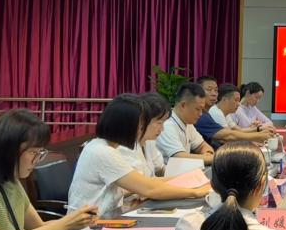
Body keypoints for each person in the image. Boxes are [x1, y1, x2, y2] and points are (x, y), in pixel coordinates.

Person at [68, 94, 212, 216]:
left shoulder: (105, 147)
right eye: (141, 125)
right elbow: (150, 189)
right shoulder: (103, 152)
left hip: (107, 219)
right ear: (125, 125)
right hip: (90, 228)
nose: (142, 129)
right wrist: (196, 192)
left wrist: (190, 181)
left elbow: (148, 183)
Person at [194, 76, 275, 147]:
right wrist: (258, 135)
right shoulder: (206, 115)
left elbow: (235, 132)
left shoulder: (208, 113)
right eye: (209, 89)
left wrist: (258, 130)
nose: (214, 94)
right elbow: (227, 136)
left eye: (216, 90)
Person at [156, 82, 215, 163]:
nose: (201, 114)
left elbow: (202, 145)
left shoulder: (188, 123)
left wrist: (208, 153)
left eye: (202, 110)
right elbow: (180, 157)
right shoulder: (166, 125)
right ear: (183, 105)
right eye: (198, 109)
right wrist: (213, 159)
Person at [134, 92, 171, 176]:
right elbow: (142, 182)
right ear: (143, 120)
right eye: (159, 123)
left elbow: (160, 168)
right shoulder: (126, 147)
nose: (162, 129)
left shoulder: (149, 141)